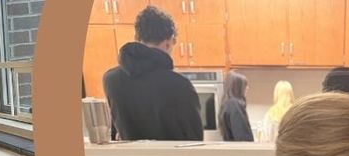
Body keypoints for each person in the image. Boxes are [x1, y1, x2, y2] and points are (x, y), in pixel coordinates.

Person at [102, 5, 203, 142]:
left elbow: (116, 134)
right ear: (168, 42)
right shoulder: (180, 85)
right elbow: (194, 142)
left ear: (136, 38)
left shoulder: (110, 80)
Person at [219, 70, 253, 141]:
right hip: (241, 151)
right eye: (245, 85)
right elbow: (242, 137)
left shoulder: (226, 103)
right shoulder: (235, 105)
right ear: (237, 87)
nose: (247, 88)